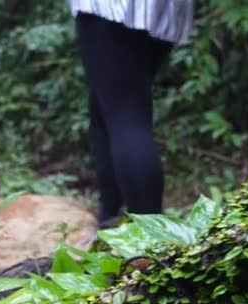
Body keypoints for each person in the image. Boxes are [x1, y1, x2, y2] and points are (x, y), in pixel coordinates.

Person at [70, 1, 194, 228]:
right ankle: (109, 222)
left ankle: (150, 239)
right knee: (107, 109)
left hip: (114, 9)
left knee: (125, 115)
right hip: (162, 10)